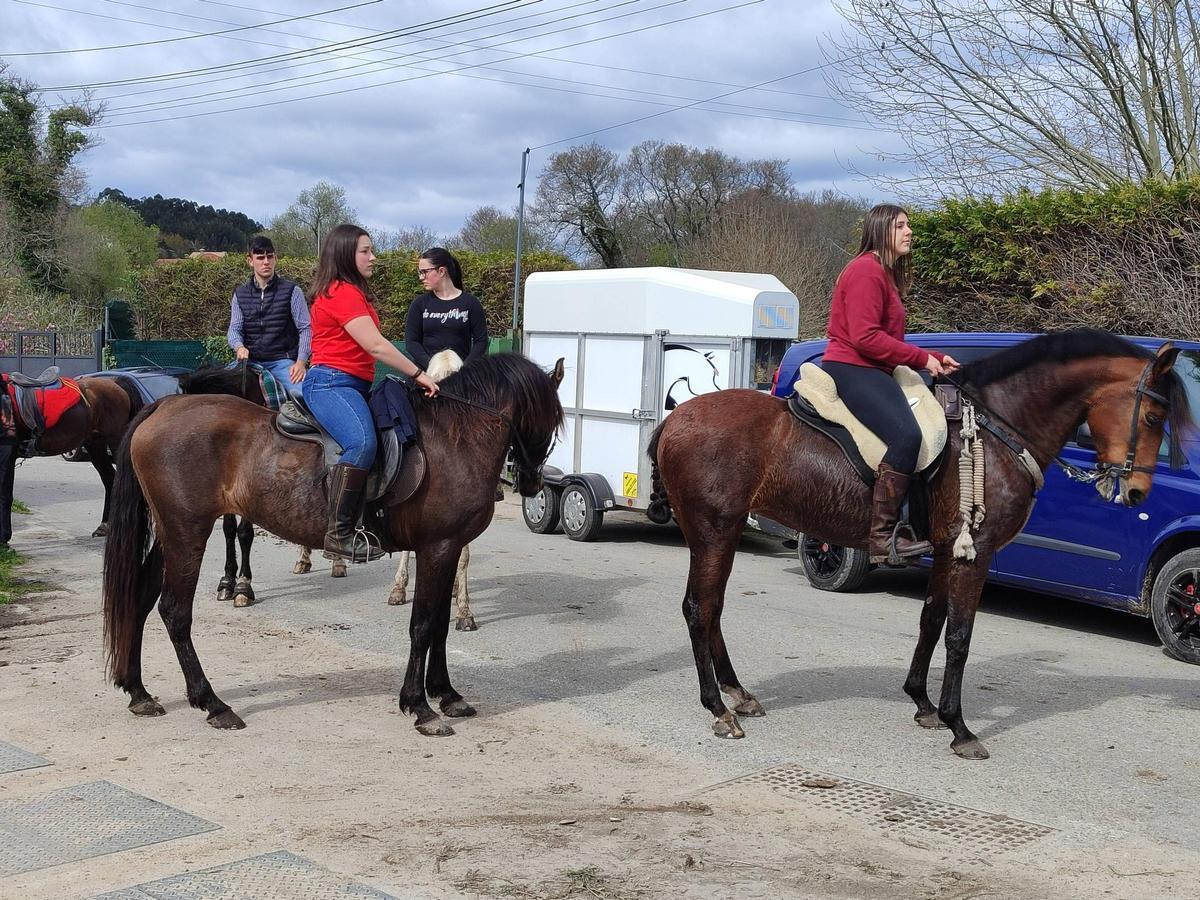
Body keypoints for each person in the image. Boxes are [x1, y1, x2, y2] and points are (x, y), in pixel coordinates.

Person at [821, 203, 960, 565]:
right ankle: (881, 538)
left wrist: (931, 356)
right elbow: (866, 338)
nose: (909, 231)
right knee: (907, 436)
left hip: (875, 368)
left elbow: (885, 339)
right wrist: (921, 359)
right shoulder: (866, 271)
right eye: (901, 226)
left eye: (908, 225)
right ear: (882, 230)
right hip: (852, 367)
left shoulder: (884, 273)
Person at [304, 224, 440, 562]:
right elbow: (377, 346)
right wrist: (418, 374)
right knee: (361, 442)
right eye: (365, 251)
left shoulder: (350, 291)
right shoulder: (341, 292)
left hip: (352, 384)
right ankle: (338, 534)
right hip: (331, 383)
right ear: (345, 254)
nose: (372, 257)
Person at [227, 235, 310, 400]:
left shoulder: (292, 291)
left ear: (275, 259)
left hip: (283, 362)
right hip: (249, 361)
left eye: (269, 256)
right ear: (250, 261)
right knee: (216, 394)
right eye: (260, 257)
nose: (266, 262)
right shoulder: (240, 294)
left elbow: (305, 328)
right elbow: (234, 329)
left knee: (305, 397)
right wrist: (239, 347)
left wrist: (300, 362)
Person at [404, 247, 488, 370]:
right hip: (427, 377)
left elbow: (481, 342)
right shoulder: (419, 304)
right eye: (420, 272)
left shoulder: (471, 303)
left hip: (461, 380)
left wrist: (462, 370)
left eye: (425, 272)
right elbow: (411, 343)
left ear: (442, 271)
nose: (421, 277)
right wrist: (434, 369)